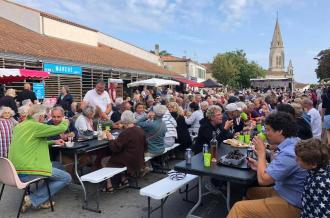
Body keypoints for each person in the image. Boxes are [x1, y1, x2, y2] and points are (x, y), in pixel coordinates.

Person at [227, 112, 307, 218]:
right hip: (285, 191)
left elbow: (263, 180)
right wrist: (260, 165)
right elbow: (282, 170)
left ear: (280, 131)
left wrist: (261, 154)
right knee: (251, 192)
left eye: (268, 130)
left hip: (291, 203)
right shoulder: (294, 142)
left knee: (239, 208)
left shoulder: (289, 153)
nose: (266, 133)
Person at [8, 104, 71, 212]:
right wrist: (66, 120)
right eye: (45, 116)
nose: (46, 119)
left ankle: (41, 197)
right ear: (41, 116)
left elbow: (32, 142)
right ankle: (32, 199)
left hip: (13, 170)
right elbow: (62, 128)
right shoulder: (36, 126)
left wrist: (53, 141)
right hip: (28, 171)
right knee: (66, 178)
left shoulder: (20, 126)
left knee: (57, 165)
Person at [102, 111, 147, 192]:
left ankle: (109, 185)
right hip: (138, 158)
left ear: (124, 121)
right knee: (120, 155)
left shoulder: (126, 132)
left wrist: (110, 139)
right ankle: (124, 179)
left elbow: (114, 148)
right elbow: (146, 146)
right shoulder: (140, 130)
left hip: (129, 160)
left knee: (104, 160)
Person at [294, 138, 330, 218]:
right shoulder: (320, 169)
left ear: (313, 164)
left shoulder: (319, 183)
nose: (295, 159)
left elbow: (324, 212)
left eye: (299, 159)